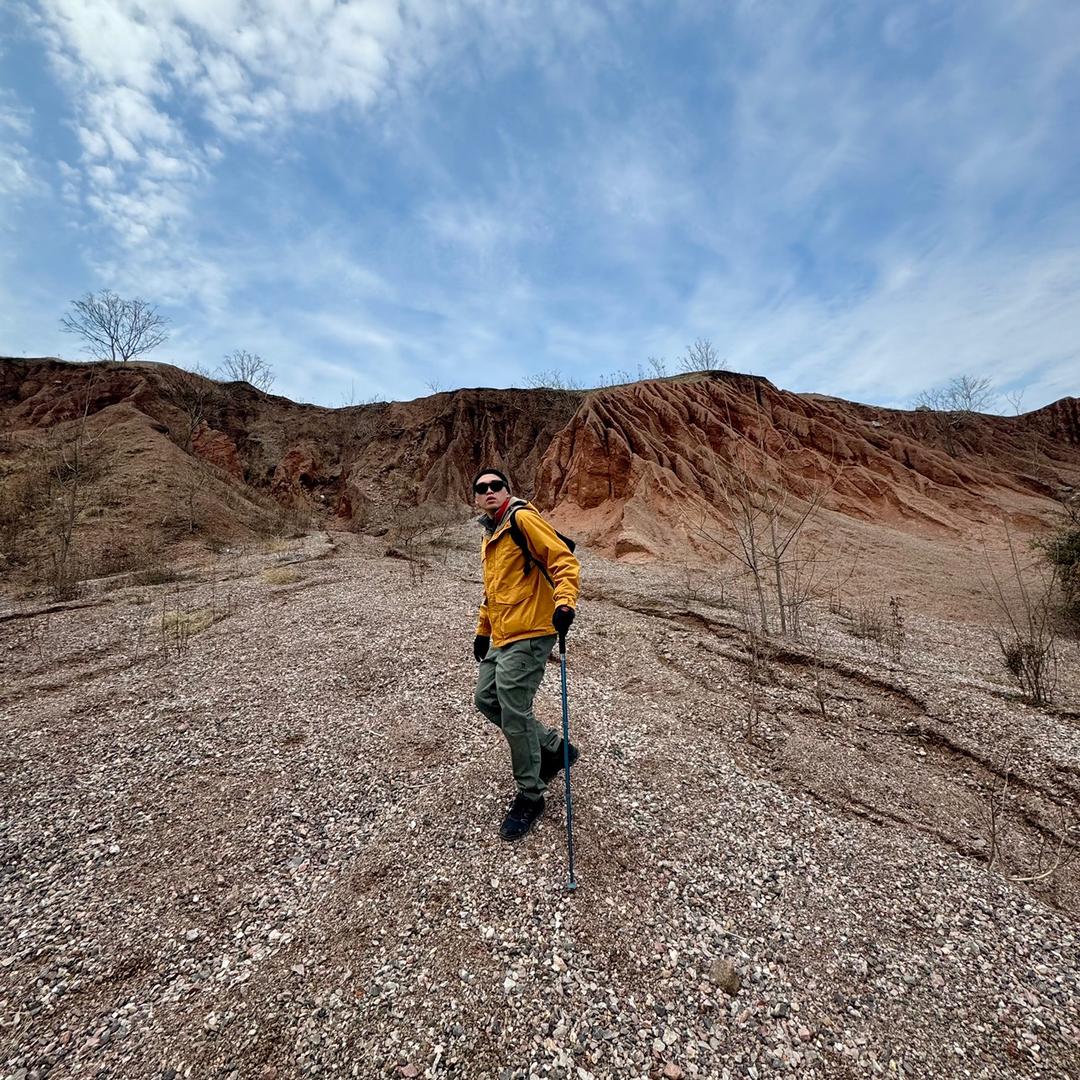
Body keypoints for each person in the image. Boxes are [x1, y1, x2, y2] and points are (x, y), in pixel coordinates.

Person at [471, 467, 581, 841]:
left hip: (532, 631)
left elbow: (563, 560)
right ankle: (554, 748)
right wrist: (483, 631)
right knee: (485, 698)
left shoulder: (521, 519)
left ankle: (531, 795)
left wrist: (565, 603)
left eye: (496, 485)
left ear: (507, 490)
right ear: (476, 497)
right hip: (504, 633)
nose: (489, 490)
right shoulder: (490, 533)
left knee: (513, 707)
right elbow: (493, 590)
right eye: (482, 488)